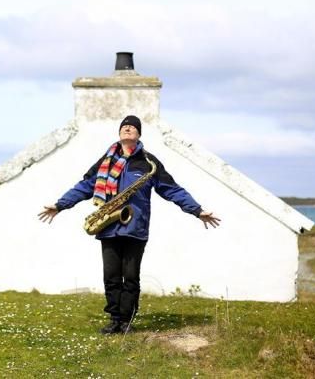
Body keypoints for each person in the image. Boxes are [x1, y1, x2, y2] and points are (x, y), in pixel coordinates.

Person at [38, 115, 220, 334]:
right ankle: (115, 319)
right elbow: (86, 185)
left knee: (131, 277)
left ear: (139, 134)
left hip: (136, 228)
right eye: (124, 126)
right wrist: (60, 205)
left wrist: (197, 210)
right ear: (119, 133)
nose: (128, 128)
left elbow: (172, 189)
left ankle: (127, 321)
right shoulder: (106, 160)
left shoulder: (149, 163)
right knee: (111, 276)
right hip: (109, 226)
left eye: (133, 127)